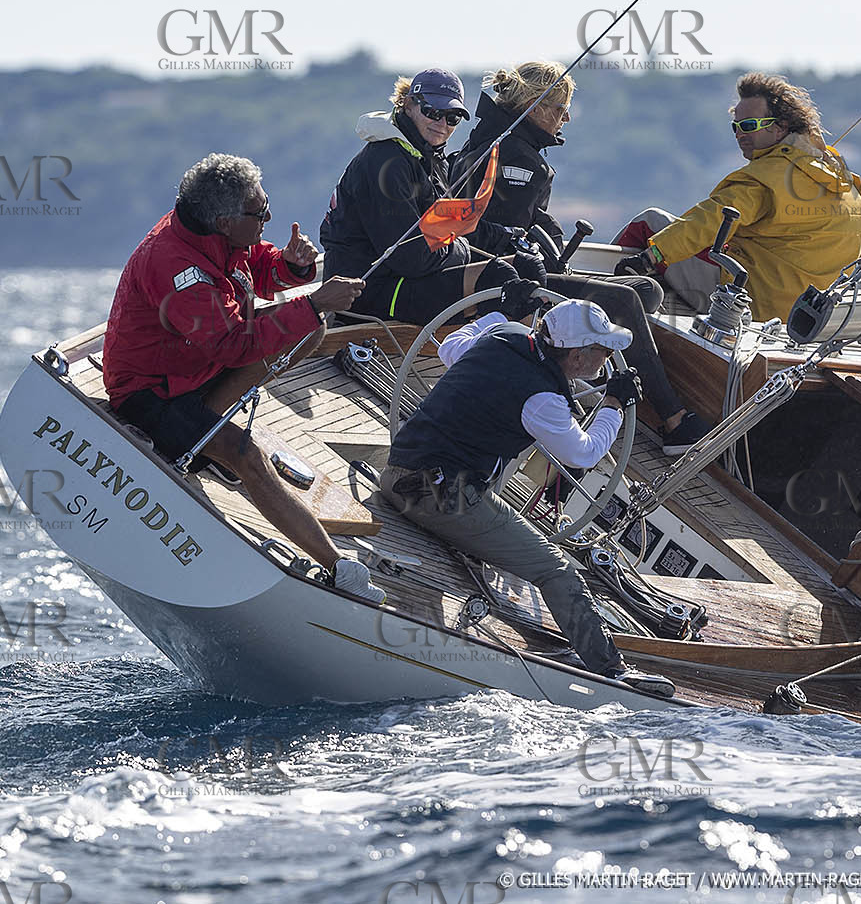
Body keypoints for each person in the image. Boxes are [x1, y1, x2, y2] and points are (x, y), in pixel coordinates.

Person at [102, 153, 385, 603]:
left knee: (310, 330)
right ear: (223, 219)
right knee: (247, 455)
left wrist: (291, 267)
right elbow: (232, 344)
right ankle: (339, 567)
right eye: (260, 214)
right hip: (151, 392)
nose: (268, 218)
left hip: (194, 370)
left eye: (266, 205)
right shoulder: (176, 268)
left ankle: (209, 426)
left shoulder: (216, 234)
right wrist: (311, 302)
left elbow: (254, 267)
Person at [379, 298, 676, 699]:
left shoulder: (504, 334)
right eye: (604, 350)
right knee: (557, 571)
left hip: (399, 471)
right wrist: (614, 406)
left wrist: (502, 311)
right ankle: (612, 672)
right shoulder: (542, 399)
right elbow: (584, 453)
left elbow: (451, 346)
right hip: (441, 496)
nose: (609, 357)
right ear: (576, 355)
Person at [453, 61, 710, 455]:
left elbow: (516, 219)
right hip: (508, 283)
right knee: (624, 299)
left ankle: (580, 373)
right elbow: (495, 231)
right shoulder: (517, 159)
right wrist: (538, 250)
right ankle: (674, 420)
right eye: (560, 109)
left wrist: (547, 234)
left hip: (521, 269)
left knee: (645, 289)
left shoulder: (506, 145)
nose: (566, 117)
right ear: (535, 108)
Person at [614, 71, 861, 322]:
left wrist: (651, 257)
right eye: (736, 126)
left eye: (750, 125)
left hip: (752, 303)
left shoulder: (765, 177)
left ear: (780, 127)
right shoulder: (846, 180)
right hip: (811, 319)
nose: (740, 134)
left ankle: (591, 316)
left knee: (649, 223)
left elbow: (710, 220)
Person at [320, 68, 538, 330]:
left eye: (452, 117)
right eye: (433, 112)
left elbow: (445, 227)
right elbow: (410, 257)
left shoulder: (428, 157)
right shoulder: (385, 162)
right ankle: (502, 362)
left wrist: (504, 237)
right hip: (367, 295)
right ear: (409, 105)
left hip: (405, 278)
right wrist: (462, 250)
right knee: (498, 278)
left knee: (528, 267)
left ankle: (531, 362)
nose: (442, 124)